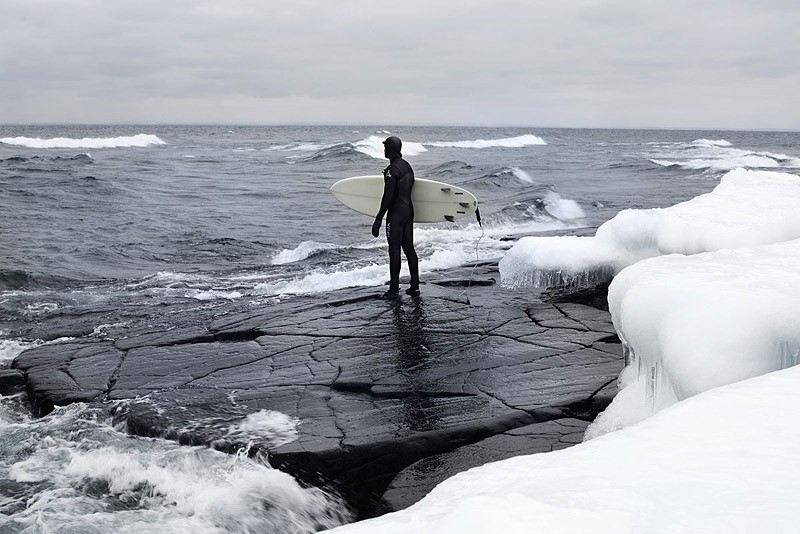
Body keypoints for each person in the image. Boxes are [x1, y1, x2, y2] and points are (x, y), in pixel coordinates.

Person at [371, 136, 420, 297]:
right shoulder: (407, 166)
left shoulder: (392, 170)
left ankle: (393, 289)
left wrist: (378, 219)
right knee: (409, 249)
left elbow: (388, 196)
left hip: (396, 214)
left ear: (392, 149)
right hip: (408, 211)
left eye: (386, 148)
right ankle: (415, 286)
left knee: (394, 250)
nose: (384, 150)